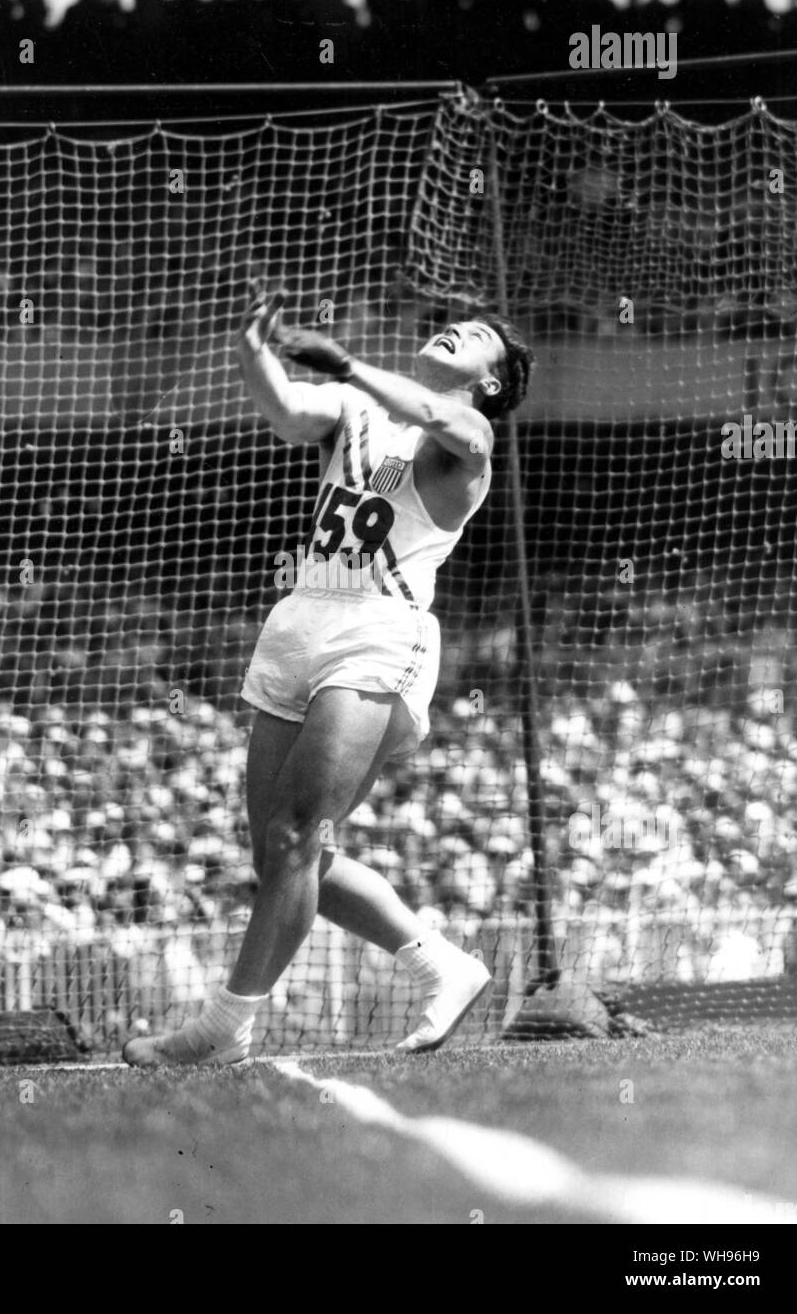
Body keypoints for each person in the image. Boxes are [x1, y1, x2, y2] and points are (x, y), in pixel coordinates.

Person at [125, 295, 533, 1067]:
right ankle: (440, 964)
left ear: (488, 382)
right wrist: (253, 351)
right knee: (276, 851)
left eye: (478, 337)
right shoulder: (356, 406)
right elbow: (285, 412)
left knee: (296, 836)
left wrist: (345, 361)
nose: (457, 329)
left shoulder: (470, 432)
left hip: (380, 627)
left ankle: (225, 1026)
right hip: (301, 617)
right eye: (458, 323)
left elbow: (446, 424)